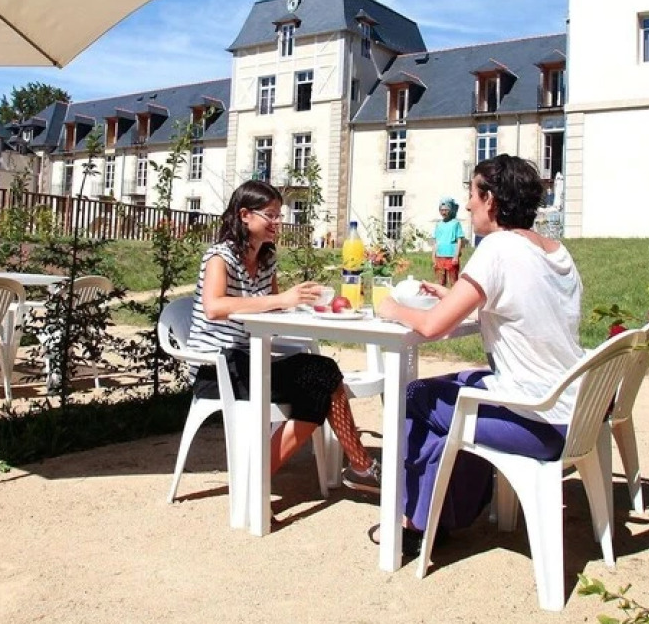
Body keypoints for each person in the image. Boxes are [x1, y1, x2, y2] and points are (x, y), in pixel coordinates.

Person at [375, 155, 583, 554]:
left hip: (537, 421)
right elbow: (523, 300)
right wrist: (453, 296)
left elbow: (435, 327)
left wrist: (391, 308)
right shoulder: (557, 251)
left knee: (414, 397)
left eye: (472, 193)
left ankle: (411, 519)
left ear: (491, 199)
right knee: (456, 387)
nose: (467, 203)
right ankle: (441, 512)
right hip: (573, 409)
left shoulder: (498, 247)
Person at [188, 179, 380, 491]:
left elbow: (276, 313)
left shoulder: (266, 259)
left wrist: (310, 304)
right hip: (217, 367)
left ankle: (258, 477)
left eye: (280, 215)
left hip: (252, 359)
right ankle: (359, 466)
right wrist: (281, 301)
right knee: (321, 376)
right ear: (245, 215)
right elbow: (214, 307)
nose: (279, 222)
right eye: (272, 215)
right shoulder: (218, 257)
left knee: (321, 376)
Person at [430, 196, 466, 287]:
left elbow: (459, 240)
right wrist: (433, 256)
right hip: (440, 255)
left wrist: (456, 255)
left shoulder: (455, 223)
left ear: (450, 210)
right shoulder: (439, 225)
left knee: (453, 281)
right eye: (442, 210)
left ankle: (454, 299)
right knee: (440, 281)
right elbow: (436, 241)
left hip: (451, 255)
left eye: (446, 210)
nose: (444, 212)